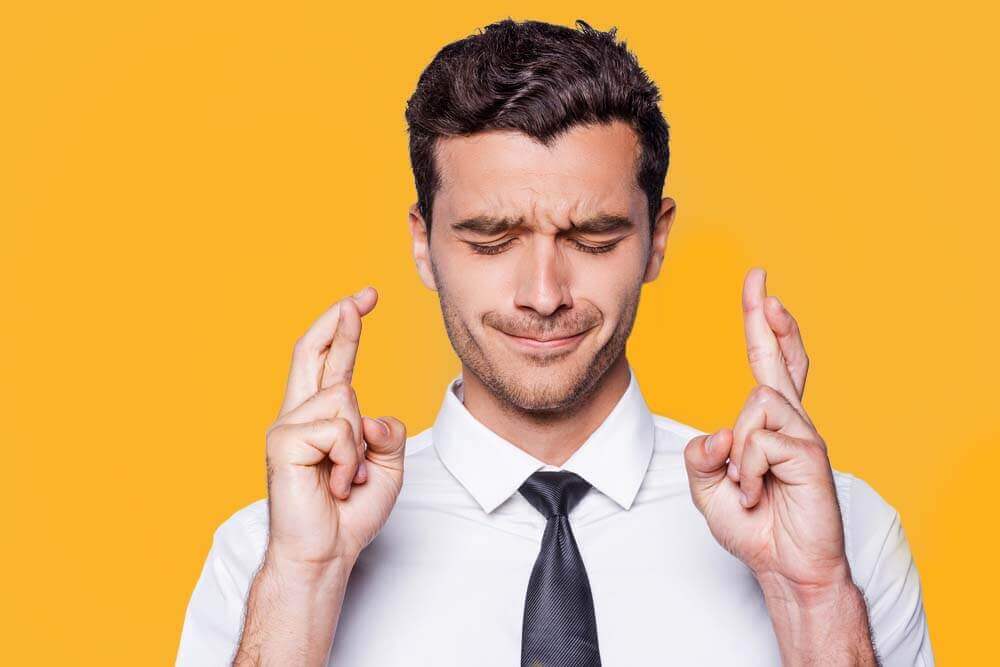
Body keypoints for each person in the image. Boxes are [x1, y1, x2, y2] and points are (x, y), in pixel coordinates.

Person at [176, 18, 933, 666]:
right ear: (422, 243)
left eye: (595, 237)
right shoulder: (266, 560)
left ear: (656, 239)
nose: (544, 294)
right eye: (490, 239)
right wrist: (304, 583)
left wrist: (810, 596)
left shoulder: (840, 539)